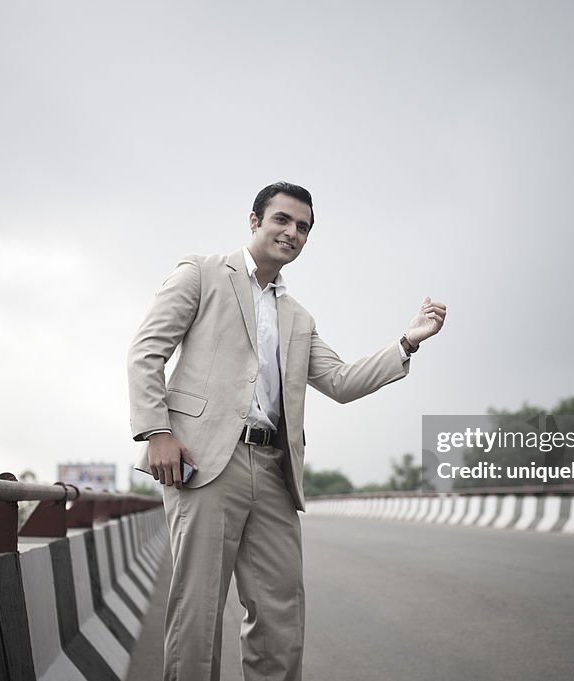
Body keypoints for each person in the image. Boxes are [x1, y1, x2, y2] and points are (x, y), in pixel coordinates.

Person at [127, 181, 446, 681]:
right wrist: (156, 432)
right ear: (254, 221)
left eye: (303, 227)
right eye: (282, 220)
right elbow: (146, 352)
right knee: (199, 609)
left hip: (275, 471)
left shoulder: (297, 317)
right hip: (205, 462)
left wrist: (408, 341)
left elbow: (340, 382)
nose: (292, 232)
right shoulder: (202, 273)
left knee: (280, 615)